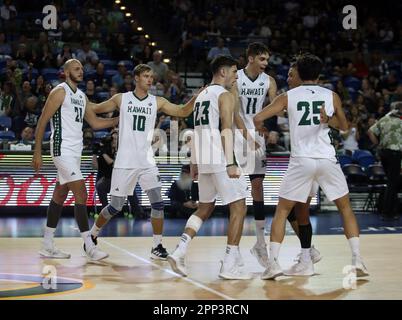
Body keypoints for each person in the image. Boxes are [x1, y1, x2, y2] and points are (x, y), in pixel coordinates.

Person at [254, 54, 369, 279]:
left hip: (302, 160)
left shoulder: (288, 96)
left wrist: (267, 128)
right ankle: (357, 260)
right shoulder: (331, 95)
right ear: (318, 74)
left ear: (299, 73)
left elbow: (258, 118)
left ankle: (274, 264)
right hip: (327, 158)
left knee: (282, 211)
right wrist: (328, 120)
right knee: (345, 209)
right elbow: (345, 127)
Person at [88, 64, 199, 260]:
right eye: (146, 76)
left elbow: (182, 111)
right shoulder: (121, 99)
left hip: (147, 160)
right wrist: (79, 101)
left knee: (158, 203)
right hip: (125, 161)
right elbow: (95, 109)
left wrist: (196, 96)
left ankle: (157, 246)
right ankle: (92, 236)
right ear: (136, 78)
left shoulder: (158, 101)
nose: (150, 79)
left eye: (151, 76)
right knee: (115, 207)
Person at [167, 55, 252, 280]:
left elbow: (197, 129)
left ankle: (179, 251)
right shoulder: (224, 95)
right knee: (239, 206)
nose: (236, 76)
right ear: (223, 72)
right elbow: (226, 128)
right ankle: (229, 264)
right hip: (220, 159)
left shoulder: (201, 94)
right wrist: (232, 162)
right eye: (234, 71)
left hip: (204, 159)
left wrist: (194, 162)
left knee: (204, 208)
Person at [31, 59, 119, 261]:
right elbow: (42, 121)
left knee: (60, 195)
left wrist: (116, 119)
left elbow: (95, 123)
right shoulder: (59, 92)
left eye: (81, 69)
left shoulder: (81, 96)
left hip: (75, 151)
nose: (81, 71)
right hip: (61, 149)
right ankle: (89, 246)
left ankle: (47, 244)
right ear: (66, 71)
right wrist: (37, 151)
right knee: (81, 191)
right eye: (76, 69)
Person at [368, 103, 402, 220]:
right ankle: (387, 212)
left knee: (391, 182)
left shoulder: (384, 119)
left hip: (384, 153)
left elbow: (370, 131)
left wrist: (378, 144)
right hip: (395, 153)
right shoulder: (400, 121)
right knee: (393, 183)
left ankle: (392, 210)